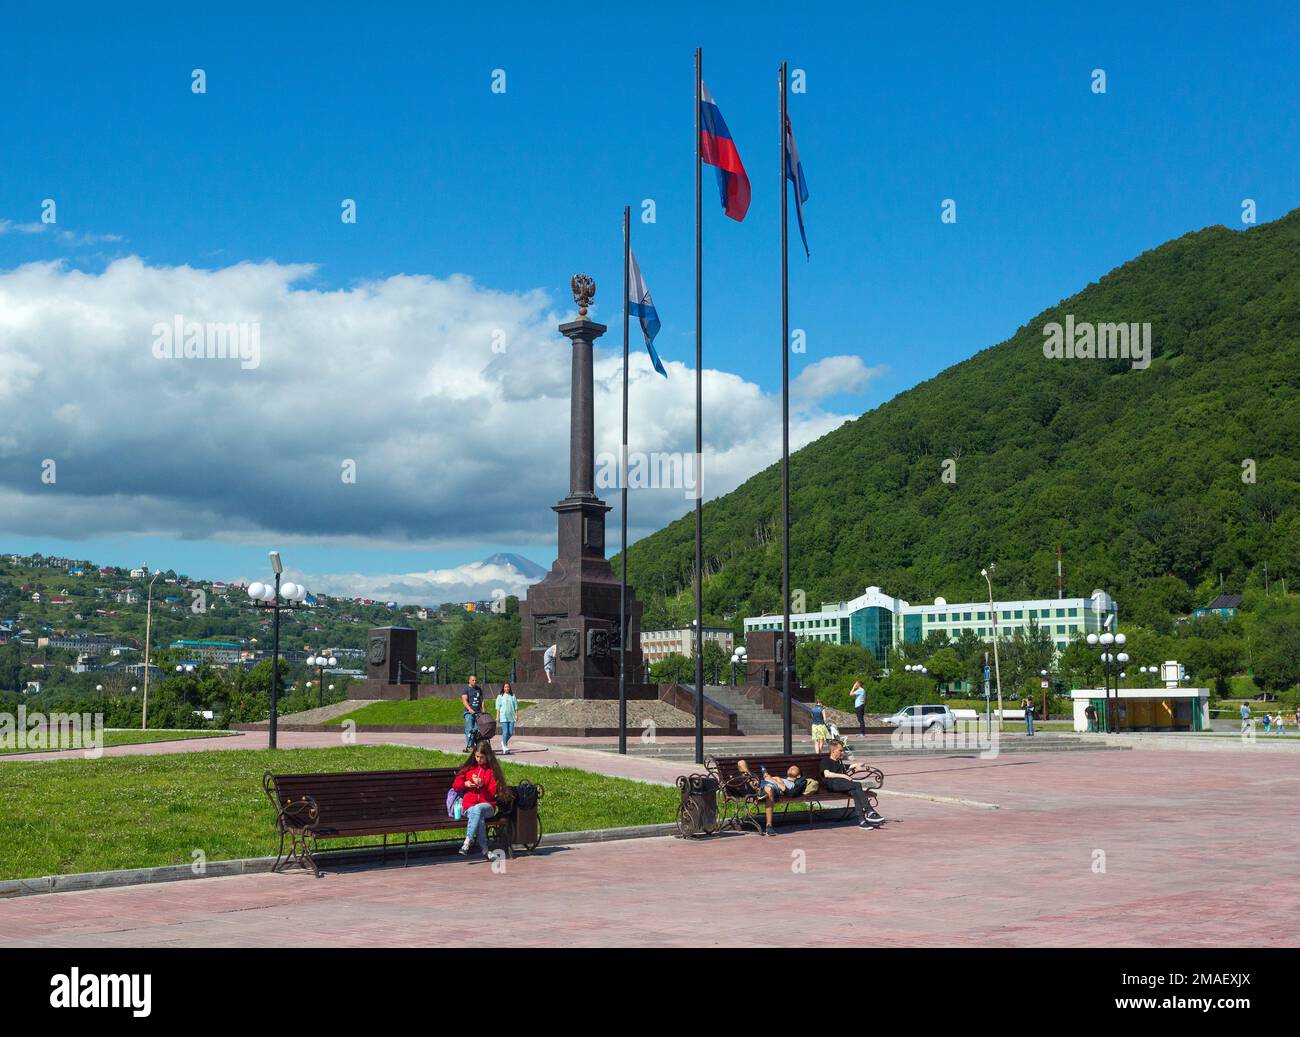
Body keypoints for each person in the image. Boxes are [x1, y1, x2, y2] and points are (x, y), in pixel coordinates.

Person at [453, 742, 508, 859]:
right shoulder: (469, 768)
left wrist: (482, 785)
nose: (478, 759)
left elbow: (492, 794)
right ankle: (485, 850)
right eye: (477, 756)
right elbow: (456, 785)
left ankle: (468, 840)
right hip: (468, 806)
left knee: (478, 809)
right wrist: (465, 784)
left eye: (481, 757)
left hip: (487, 806)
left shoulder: (491, 772)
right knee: (479, 817)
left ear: (488, 756)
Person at [821, 741, 883, 829]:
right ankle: (869, 811)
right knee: (857, 785)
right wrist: (843, 776)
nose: (843, 753)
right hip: (831, 784)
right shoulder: (826, 760)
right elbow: (827, 774)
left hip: (843, 784)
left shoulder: (839, 762)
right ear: (833, 751)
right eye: (841, 750)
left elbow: (851, 766)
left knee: (854, 791)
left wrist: (859, 765)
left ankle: (862, 820)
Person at [736, 759, 804, 837]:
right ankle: (755, 786)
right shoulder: (780, 778)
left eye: (794, 768)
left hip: (769, 789)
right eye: (790, 767)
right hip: (759, 784)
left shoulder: (792, 785)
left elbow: (790, 793)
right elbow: (767, 779)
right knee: (741, 762)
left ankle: (769, 826)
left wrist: (775, 781)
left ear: (798, 775)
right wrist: (772, 778)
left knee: (768, 789)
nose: (791, 768)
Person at [461, 674, 485, 751]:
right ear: (469, 680)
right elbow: (464, 701)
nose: (474, 682)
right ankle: (469, 746)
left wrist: (483, 710)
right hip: (469, 713)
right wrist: (469, 709)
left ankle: (474, 746)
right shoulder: (466, 689)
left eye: (475, 680)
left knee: (476, 730)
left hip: (478, 713)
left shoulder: (479, 689)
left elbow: (482, 700)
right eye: (473, 680)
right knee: (469, 729)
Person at [495, 682, 518, 754]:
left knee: (510, 732)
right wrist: (497, 716)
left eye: (508, 687)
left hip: (511, 716)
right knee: (505, 732)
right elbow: (498, 707)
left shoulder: (513, 696)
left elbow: (516, 706)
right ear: (503, 688)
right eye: (505, 687)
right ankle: (504, 746)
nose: (507, 688)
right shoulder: (500, 696)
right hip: (503, 716)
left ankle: (503, 741)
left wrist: (517, 715)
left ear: (509, 688)